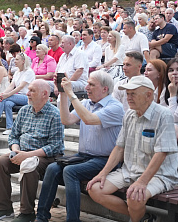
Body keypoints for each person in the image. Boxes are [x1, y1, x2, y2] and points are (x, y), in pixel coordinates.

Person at [87, 76, 178, 222]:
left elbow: (161, 153)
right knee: (94, 189)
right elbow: (119, 148)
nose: (128, 97)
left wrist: (142, 182)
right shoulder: (129, 114)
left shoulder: (164, 115)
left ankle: (136, 219)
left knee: (135, 197)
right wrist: (103, 173)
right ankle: (143, 218)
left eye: (133, 93)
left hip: (160, 175)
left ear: (149, 95)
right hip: (130, 171)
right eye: (127, 93)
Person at [35, 71, 124, 222]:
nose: (87, 87)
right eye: (87, 83)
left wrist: (71, 94)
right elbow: (66, 119)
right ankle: (41, 216)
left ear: (105, 89)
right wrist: (63, 93)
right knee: (52, 168)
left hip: (106, 160)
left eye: (91, 84)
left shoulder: (115, 107)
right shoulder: (85, 103)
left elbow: (89, 119)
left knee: (70, 171)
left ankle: (73, 219)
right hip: (83, 156)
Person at [0, 80, 64, 222]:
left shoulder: (55, 114)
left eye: (32, 91)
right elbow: (14, 136)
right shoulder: (24, 110)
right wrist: (16, 151)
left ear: (45, 94)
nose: (27, 93)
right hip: (22, 153)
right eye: (28, 90)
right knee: (0, 163)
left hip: (46, 157)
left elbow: (55, 146)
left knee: (28, 165)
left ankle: (27, 212)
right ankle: (4, 208)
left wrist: (27, 155)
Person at [0, 53, 34, 135]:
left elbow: (20, 87)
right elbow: (11, 86)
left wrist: (7, 95)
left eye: (17, 59)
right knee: (7, 104)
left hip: (27, 97)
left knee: (6, 98)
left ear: (23, 61)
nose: (14, 61)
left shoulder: (29, 72)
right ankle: (10, 127)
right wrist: (3, 93)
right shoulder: (17, 72)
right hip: (17, 96)